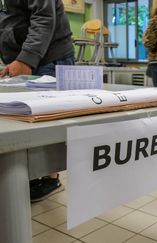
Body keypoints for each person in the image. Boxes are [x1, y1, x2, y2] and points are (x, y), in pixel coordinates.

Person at [0, 0, 75, 202]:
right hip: (20, 57)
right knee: (22, 116)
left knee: (48, 118)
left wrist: (26, 58)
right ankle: (33, 175)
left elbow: (44, 17)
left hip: (51, 55)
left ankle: (51, 178)